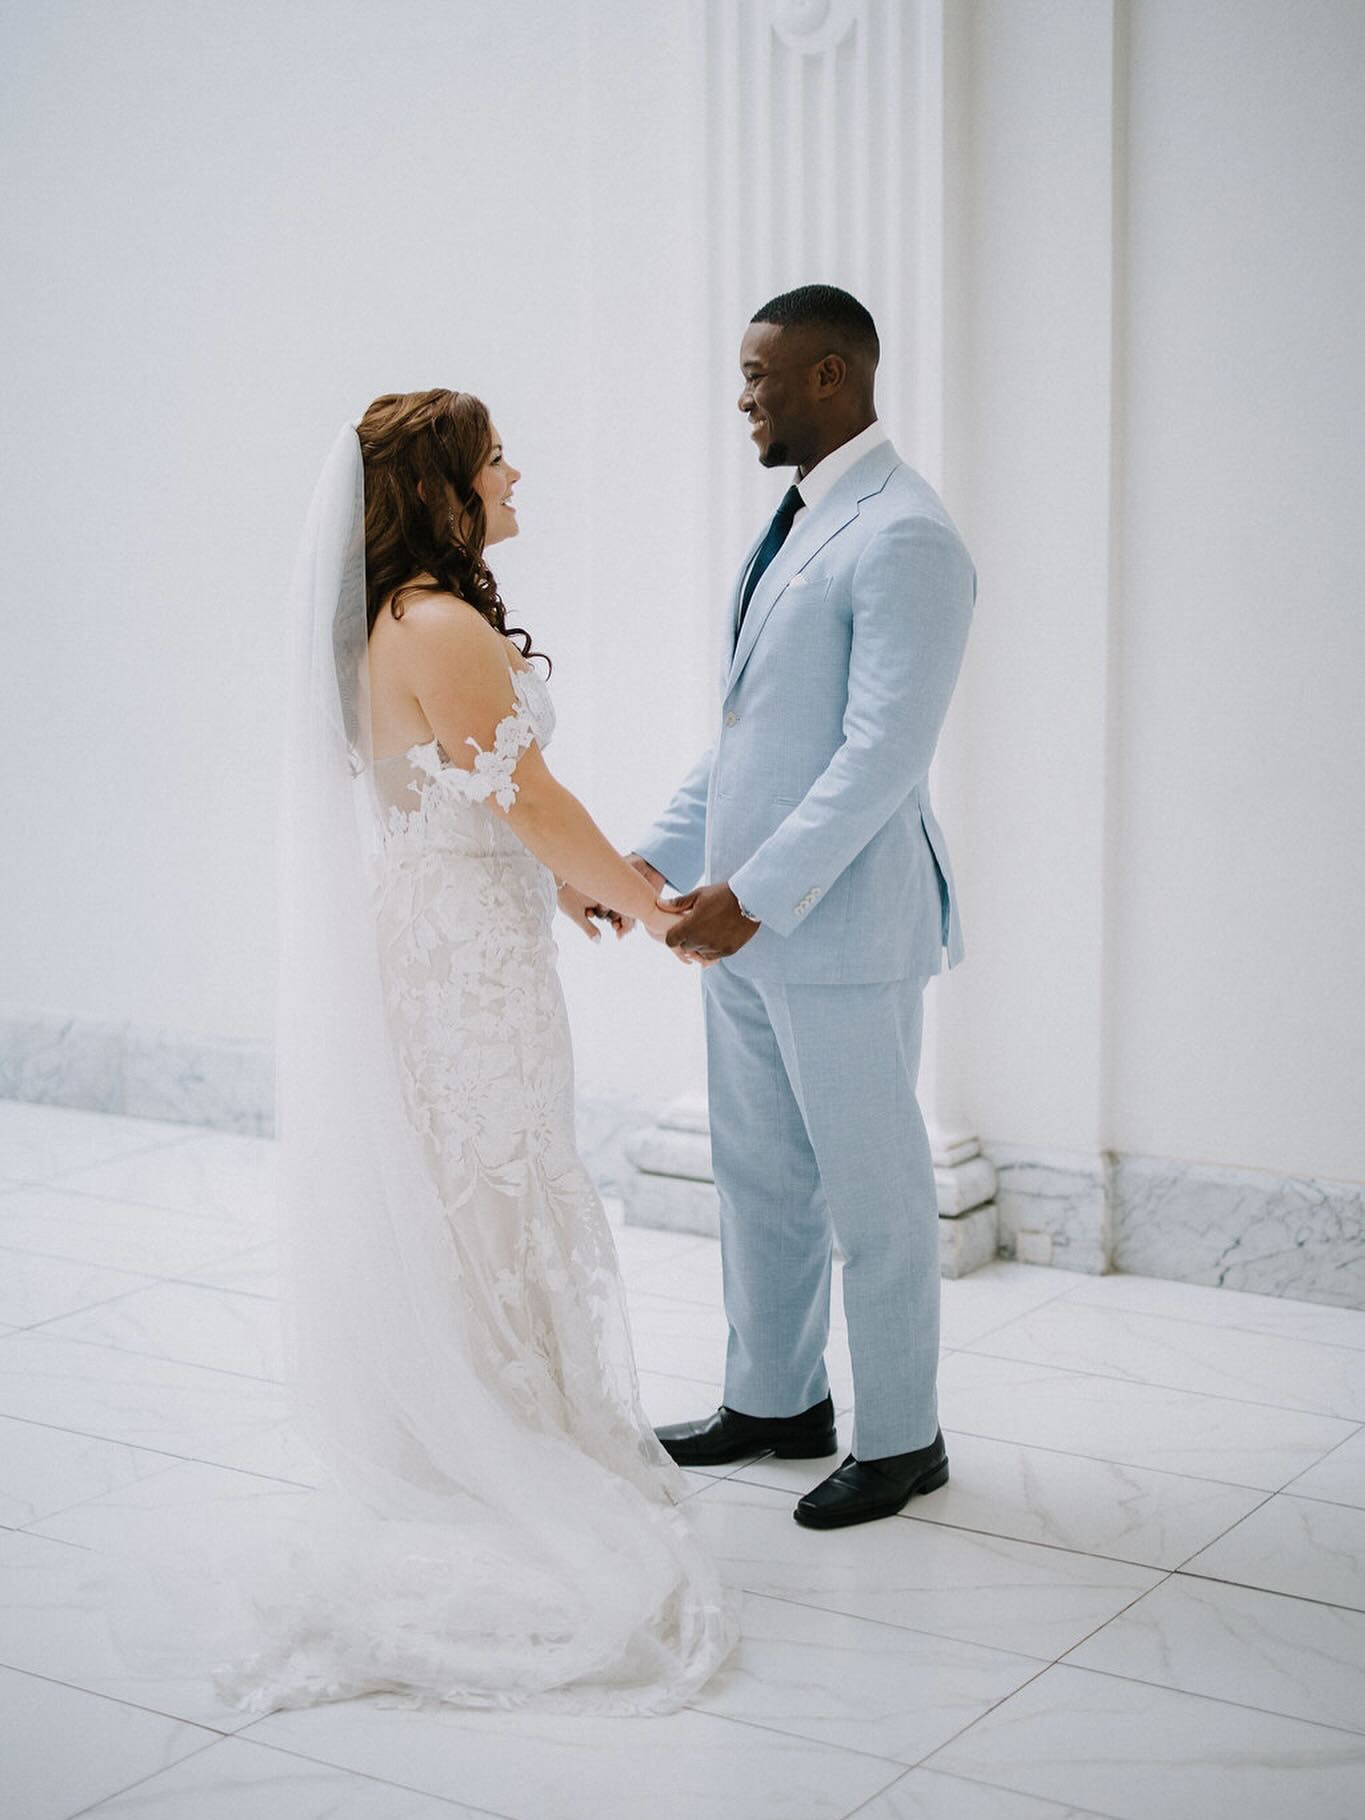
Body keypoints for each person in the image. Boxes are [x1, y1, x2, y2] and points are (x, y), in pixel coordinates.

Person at [103, 390, 738, 1715]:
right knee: (492, 1181)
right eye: (495, 456)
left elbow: (469, 793)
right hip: (462, 964)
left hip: (457, 930)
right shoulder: (436, 621)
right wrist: (645, 897)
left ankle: (483, 1428)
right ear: (443, 485)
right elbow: (529, 792)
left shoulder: (396, 618)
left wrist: (566, 886)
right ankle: (492, 1452)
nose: (514, 473)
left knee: (481, 1182)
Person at [630, 285, 977, 1530]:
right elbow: (750, 738)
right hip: (743, 927)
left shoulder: (907, 536)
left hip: (843, 931)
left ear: (831, 375)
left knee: (874, 1194)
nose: (743, 397)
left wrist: (757, 895)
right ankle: (775, 1400)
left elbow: (882, 754)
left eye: (758, 374)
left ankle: (902, 1436)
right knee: (761, 1175)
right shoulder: (794, 522)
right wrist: (646, 861)